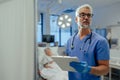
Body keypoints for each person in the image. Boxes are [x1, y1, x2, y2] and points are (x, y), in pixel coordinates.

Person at [65, 4, 110, 80]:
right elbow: (68, 62)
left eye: (89, 15)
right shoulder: (70, 41)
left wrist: (89, 69)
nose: (86, 18)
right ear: (76, 19)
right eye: (82, 15)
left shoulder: (100, 41)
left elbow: (105, 69)